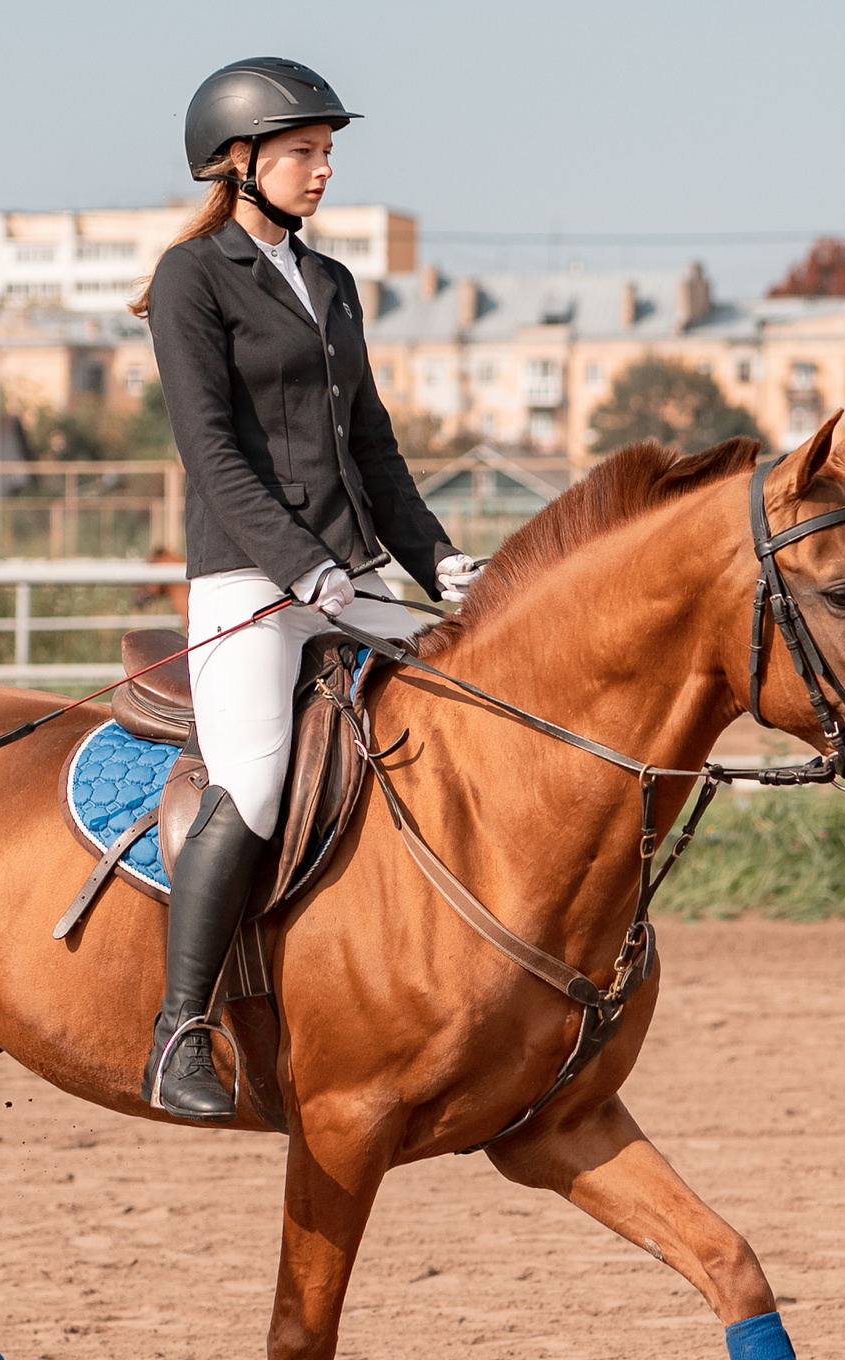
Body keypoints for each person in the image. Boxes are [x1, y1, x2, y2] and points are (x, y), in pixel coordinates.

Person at [130, 57, 483, 1120]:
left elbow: (372, 446)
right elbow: (212, 455)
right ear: (236, 162)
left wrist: (436, 559)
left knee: (456, 724)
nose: (323, 169)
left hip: (353, 574)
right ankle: (180, 1029)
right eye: (302, 152)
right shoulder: (193, 279)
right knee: (254, 780)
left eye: (327, 152)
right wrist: (303, 567)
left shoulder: (330, 283)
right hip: (250, 581)